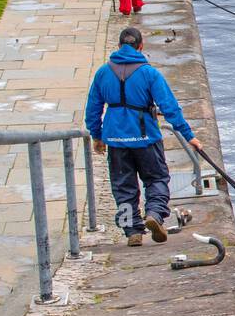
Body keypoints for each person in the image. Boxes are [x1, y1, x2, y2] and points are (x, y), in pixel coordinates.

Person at [85, 26, 202, 246]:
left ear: (119, 47)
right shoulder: (149, 73)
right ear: (141, 46)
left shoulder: (103, 72)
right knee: (156, 178)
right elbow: (170, 107)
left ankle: (132, 232)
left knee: (123, 185)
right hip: (146, 138)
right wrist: (189, 136)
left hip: (117, 141)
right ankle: (155, 215)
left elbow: (93, 109)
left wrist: (97, 136)